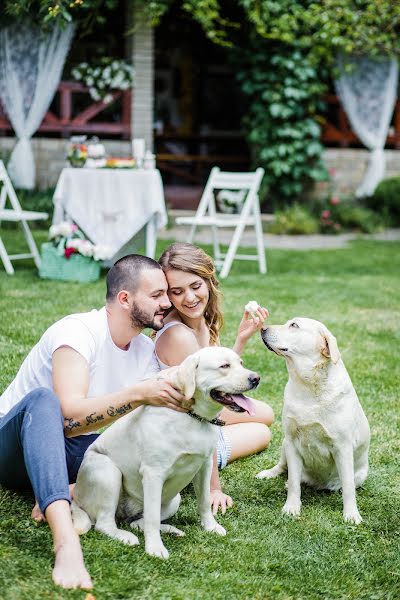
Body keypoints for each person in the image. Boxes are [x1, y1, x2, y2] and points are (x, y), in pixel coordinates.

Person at [0, 255, 189, 590]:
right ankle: (66, 543)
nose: (168, 302)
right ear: (125, 298)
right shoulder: (77, 331)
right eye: (158, 295)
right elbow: (69, 416)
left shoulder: (146, 351)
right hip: (16, 443)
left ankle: (73, 491)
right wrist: (138, 394)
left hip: (75, 449)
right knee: (46, 400)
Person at [156, 242, 274, 515]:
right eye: (177, 291)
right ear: (168, 295)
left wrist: (241, 340)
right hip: (183, 433)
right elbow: (199, 415)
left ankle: (215, 447)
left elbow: (216, 377)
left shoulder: (200, 319)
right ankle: (197, 466)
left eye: (195, 286)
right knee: (261, 431)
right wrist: (213, 489)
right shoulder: (178, 335)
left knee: (264, 413)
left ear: (208, 280)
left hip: (197, 412)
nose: (189, 298)